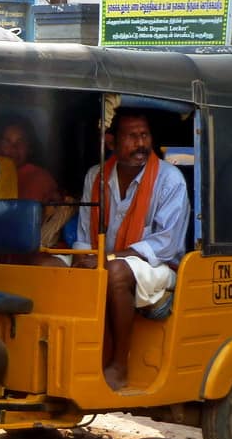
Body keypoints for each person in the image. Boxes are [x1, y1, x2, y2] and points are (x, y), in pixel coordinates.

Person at [71, 108, 190, 390]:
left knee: (115, 272)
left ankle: (120, 366)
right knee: (47, 265)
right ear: (111, 142)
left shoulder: (170, 179)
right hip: (107, 258)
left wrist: (105, 258)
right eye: (132, 136)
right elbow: (84, 236)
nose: (141, 144)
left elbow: (165, 245)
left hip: (159, 267)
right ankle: (76, 355)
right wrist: (83, 260)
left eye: (145, 135)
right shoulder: (96, 176)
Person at [0, 115, 60, 204]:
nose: (13, 148)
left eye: (20, 142)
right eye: (7, 142)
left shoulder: (42, 179)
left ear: (29, 148)